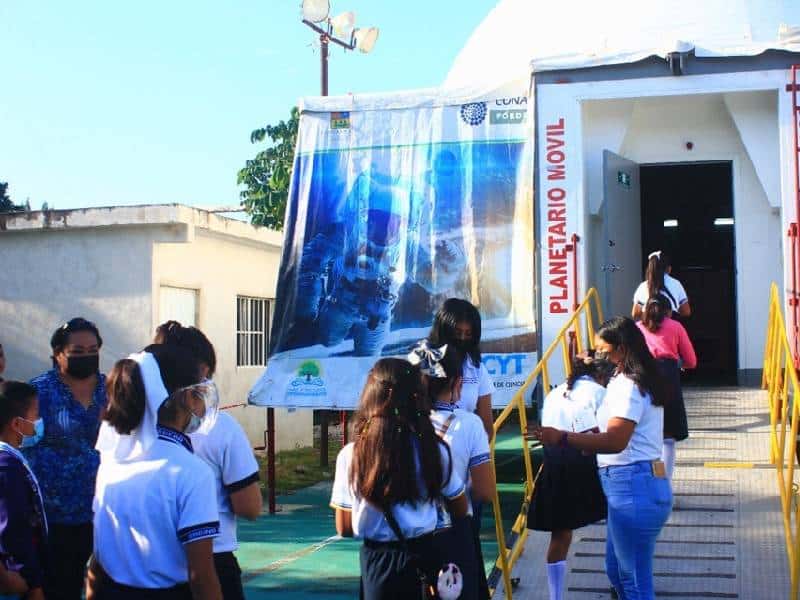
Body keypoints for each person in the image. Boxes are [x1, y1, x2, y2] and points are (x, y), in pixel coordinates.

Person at [529, 317, 671, 600]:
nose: (596, 356)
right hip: (627, 485)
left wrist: (564, 437)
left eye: (602, 350)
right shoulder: (624, 380)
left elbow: (616, 440)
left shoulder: (630, 386)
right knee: (617, 571)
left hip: (633, 484)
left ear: (622, 348)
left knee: (633, 578)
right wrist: (588, 441)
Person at [88, 344, 222, 599]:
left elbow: (98, 561)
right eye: (199, 393)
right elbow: (201, 575)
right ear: (186, 397)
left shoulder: (112, 458)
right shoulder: (191, 472)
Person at [330, 358, 468, 599]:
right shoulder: (433, 450)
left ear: (370, 397)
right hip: (426, 561)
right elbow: (460, 507)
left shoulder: (351, 455)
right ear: (417, 398)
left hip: (379, 565)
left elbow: (344, 527)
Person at [153, 321, 261, 600]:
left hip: (148, 564)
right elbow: (249, 506)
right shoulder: (221, 429)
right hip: (211, 556)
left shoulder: (124, 433)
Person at [25, 317, 106, 600]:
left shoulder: (113, 390)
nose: (87, 356)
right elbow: (21, 446)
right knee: (60, 589)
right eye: (77, 351)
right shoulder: (38, 392)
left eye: (93, 350)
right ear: (58, 353)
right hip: (52, 516)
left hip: (104, 511)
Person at [408, 340, 494, 600]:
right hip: (454, 532)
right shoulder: (470, 424)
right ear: (457, 382)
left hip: (409, 532)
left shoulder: (402, 424)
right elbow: (485, 491)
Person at [526, 354, 613, 600]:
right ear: (601, 376)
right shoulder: (601, 393)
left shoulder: (554, 393)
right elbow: (608, 435)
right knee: (616, 526)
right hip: (589, 462)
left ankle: (555, 596)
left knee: (561, 534)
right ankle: (619, 583)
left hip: (555, 463)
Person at [637, 294, 697, 480]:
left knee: (644, 432)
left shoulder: (637, 328)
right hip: (668, 377)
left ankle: (648, 480)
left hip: (643, 378)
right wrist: (678, 363)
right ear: (669, 311)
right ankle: (665, 484)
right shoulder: (675, 326)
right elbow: (691, 361)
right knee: (668, 437)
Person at [0, 381, 48, 600]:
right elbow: (13, 529)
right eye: (35, 414)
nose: (39, 421)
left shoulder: (12, 460)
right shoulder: (7, 468)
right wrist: (33, 584)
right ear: (17, 424)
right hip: (15, 578)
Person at [428, 299, 493, 438]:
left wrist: (468, 446)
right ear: (443, 331)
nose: (462, 338)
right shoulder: (424, 364)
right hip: (427, 444)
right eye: (457, 333)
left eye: (468, 334)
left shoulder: (477, 369)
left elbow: (487, 429)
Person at [631, 251, 691, 320]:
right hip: (670, 323)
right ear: (669, 268)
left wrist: (650, 315)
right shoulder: (676, 284)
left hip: (648, 324)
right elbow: (686, 311)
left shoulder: (643, 286)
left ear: (650, 269)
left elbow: (635, 314)